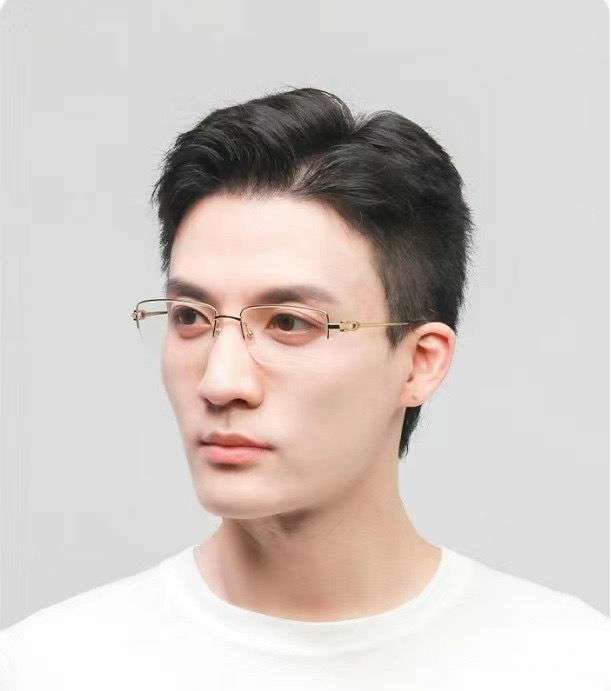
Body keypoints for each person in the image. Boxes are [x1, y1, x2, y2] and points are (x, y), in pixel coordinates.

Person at [0, 87, 608, 690]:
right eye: (191, 317)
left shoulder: (570, 665)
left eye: (290, 323)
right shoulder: (48, 667)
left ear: (420, 363)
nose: (221, 381)